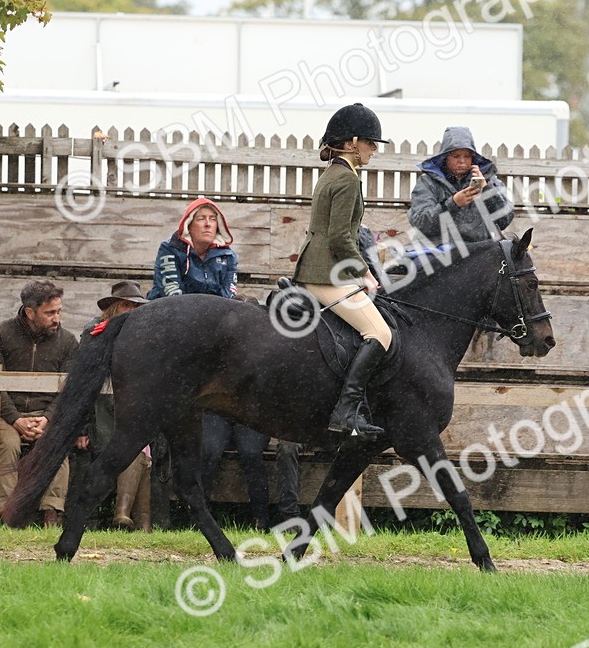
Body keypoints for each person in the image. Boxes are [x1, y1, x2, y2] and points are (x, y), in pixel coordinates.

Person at [147, 197, 273, 526]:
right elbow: (172, 291)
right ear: (188, 225)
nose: (207, 224)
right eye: (201, 218)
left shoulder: (226, 256)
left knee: (250, 452)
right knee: (209, 449)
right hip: (174, 321)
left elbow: (228, 297)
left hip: (214, 338)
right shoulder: (169, 251)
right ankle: (194, 519)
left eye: (212, 219)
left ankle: (262, 519)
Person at [293, 102, 393, 440]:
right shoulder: (348, 180)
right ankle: (345, 411)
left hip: (316, 268)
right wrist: (365, 273)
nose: (374, 150)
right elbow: (339, 237)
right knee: (381, 334)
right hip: (325, 275)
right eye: (370, 142)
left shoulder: (332, 173)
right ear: (352, 142)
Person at [0, 280, 79, 527]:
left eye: (59, 311)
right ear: (30, 312)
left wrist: (47, 418)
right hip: (7, 413)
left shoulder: (69, 341)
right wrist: (15, 419)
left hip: (46, 414)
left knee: (57, 445)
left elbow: (68, 390)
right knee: (6, 444)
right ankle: (5, 514)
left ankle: (52, 513)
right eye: (50, 313)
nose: (56, 318)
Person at [79, 281, 152, 531]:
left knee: (143, 450)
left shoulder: (145, 334)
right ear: (113, 307)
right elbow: (85, 381)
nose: (131, 310)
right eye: (125, 305)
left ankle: (134, 521)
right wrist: (82, 427)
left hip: (135, 409)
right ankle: (134, 521)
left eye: (135, 306)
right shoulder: (95, 331)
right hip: (101, 410)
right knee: (135, 448)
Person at [407, 125, 513, 244]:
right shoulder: (428, 182)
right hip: (438, 252)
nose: (462, 161)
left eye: (467, 156)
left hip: (478, 252)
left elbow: (504, 221)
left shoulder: (487, 180)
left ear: (473, 158)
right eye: (456, 156)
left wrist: (487, 188)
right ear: (445, 158)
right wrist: (452, 203)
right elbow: (421, 224)